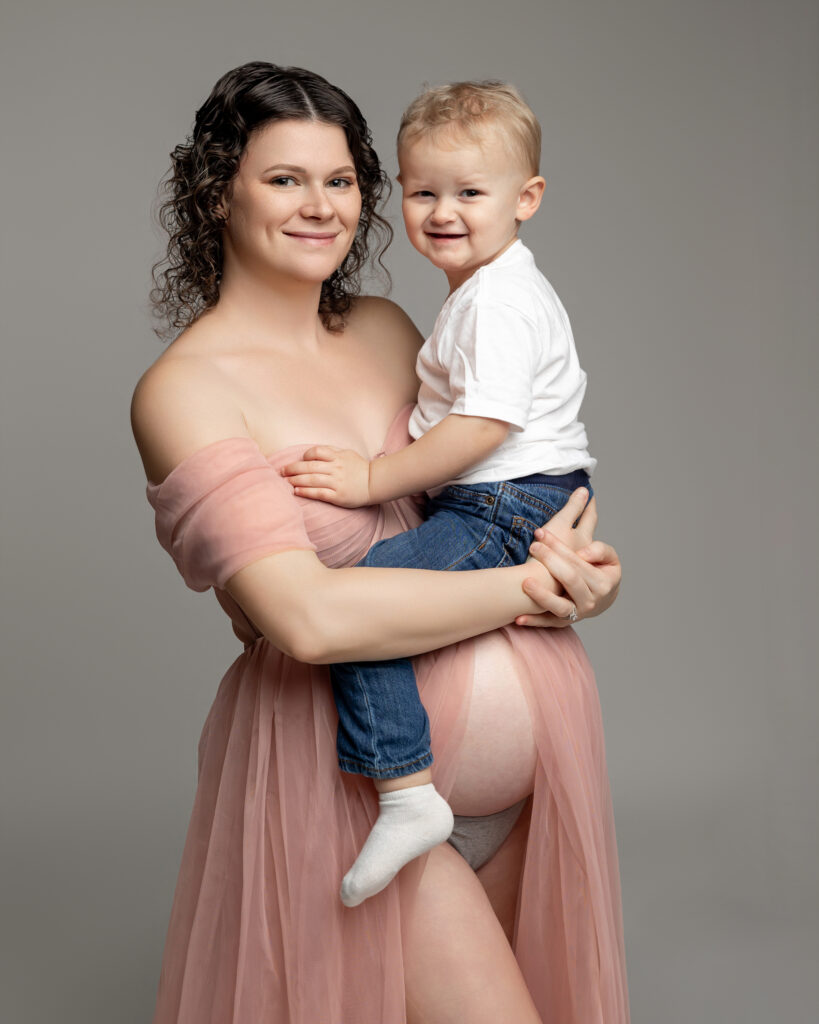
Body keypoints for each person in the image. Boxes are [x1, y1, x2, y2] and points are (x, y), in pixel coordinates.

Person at [133, 61, 629, 1024]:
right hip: (350, 790)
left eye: (342, 180)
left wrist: (585, 576)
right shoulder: (185, 390)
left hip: (529, 769)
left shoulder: (390, 326)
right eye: (284, 179)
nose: (321, 206)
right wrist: (535, 588)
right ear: (217, 189)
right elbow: (309, 623)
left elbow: (488, 497)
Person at [283, 80, 598, 910]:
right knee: (363, 603)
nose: (442, 211)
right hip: (515, 499)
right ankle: (408, 789)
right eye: (422, 191)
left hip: (501, 501)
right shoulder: (483, 292)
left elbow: (482, 427)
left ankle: (404, 791)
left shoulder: (494, 301)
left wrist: (372, 480)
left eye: (469, 192)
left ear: (526, 198)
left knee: (362, 604)